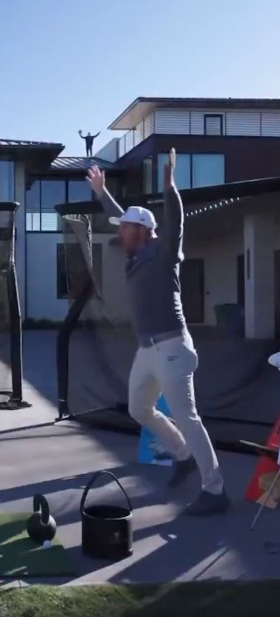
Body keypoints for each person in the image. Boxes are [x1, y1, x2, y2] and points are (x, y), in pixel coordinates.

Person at [86, 151, 230, 516]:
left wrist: (169, 186)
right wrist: (102, 193)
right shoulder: (135, 255)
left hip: (173, 347)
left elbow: (176, 223)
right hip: (147, 350)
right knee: (139, 408)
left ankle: (215, 490)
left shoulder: (164, 252)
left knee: (187, 415)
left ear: (143, 231)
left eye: (126, 227)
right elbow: (119, 214)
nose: (119, 230)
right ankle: (183, 455)